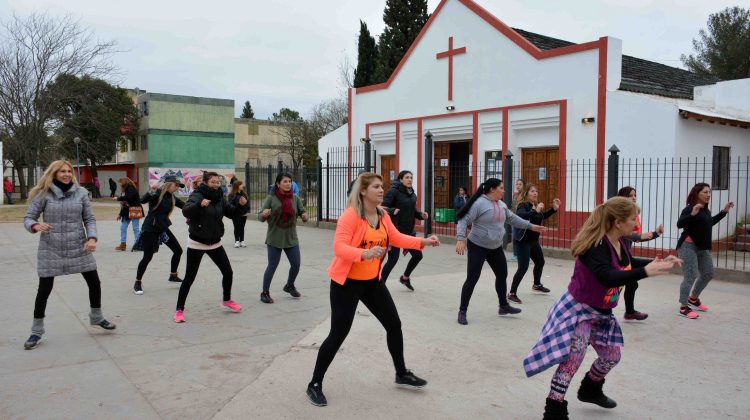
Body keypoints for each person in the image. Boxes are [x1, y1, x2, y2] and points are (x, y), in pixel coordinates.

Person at [523, 197, 681, 419]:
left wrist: (659, 264)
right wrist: (646, 272)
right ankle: (554, 409)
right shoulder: (595, 245)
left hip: (601, 313)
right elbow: (607, 277)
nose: (636, 224)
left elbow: (627, 264)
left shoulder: (620, 242)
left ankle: (590, 390)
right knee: (573, 360)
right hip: (578, 312)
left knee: (611, 356)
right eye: (633, 219)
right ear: (617, 222)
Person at [306, 172, 440, 407]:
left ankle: (401, 373)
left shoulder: (382, 214)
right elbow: (339, 247)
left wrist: (422, 242)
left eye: (382, 187)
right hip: (346, 283)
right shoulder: (350, 216)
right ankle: (314, 384)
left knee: (394, 324)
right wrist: (363, 254)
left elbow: (396, 237)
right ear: (363, 191)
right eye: (376, 187)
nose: (381, 190)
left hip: (372, 282)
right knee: (338, 334)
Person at [22, 160, 116, 350]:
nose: (66, 174)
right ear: (54, 174)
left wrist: (92, 238)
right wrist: (35, 225)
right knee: (44, 290)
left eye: (68, 171)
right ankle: (36, 331)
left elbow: (89, 218)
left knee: (94, 282)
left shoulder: (81, 193)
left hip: (78, 247)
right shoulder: (43, 194)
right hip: (51, 249)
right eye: (62, 171)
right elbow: (29, 218)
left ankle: (97, 318)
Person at [455, 178, 545, 325]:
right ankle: (462, 311)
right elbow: (463, 220)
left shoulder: (501, 205)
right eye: (501, 188)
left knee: (502, 274)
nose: (504, 190)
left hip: (495, 247)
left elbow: (513, 219)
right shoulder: (479, 204)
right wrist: (460, 239)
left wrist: (531, 226)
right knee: (472, 278)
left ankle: (503, 306)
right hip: (478, 246)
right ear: (492, 189)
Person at [174, 171, 249, 323]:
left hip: (215, 242)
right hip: (197, 243)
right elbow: (186, 211)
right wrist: (199, 205)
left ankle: (226, 300)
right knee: (189, 278)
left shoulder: (220, 197)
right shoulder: (197, 195)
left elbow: (231, 213)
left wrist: (242, 206)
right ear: (206, 182)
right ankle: (179, 310)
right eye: (213, 182)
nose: (216, 184)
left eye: (218, 182)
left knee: (228, 272)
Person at [676, 183, 733, 319]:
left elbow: (709, 222)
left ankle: (693, 299)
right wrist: (692, 214)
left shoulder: (705, 210)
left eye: (709, 192)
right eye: (705, 192)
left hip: (702, 248)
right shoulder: (690, 208)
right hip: (688, 246)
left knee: (708, 273)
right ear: (697, 194)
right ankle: (683, 307)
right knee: (690, 276)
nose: (708, 195)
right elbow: (680, 224)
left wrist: (724, 212)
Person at [259, 173, 309, 303]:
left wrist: (304, 215)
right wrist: (264, 214)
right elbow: (260, 217)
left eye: (289, 181)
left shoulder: (295, 198)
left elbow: (302, 212)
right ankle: (264, 292)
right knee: (272, 265)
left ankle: (289, 285)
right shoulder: (271, 198)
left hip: (291, 238)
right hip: (274, 238)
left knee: (296, 264)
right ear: (278, 184)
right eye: (285, 181)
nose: (288, 184)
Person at [617, 186, 664, 321]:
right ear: (622, 198)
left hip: (626, 256)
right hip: (618, 257)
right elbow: (634, 236)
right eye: (630, 195)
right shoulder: (621, 216)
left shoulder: (632, 215)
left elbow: (635, 236)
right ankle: (627, 312)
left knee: (632, 283)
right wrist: (656, 234)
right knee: (622, 284)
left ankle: (629, 312)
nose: (634, 197)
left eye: (635, 195)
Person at [508, 184, 560, 303]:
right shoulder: (523, 205)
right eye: (532, 191)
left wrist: (554, 209)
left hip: (533, 241)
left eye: (536, 191)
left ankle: (536, 285)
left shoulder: (533, 205)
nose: (535, 193)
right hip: (522, 241)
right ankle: (512, 293)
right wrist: (534, 210)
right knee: (523, 267)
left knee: (540, 262)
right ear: (526, 193)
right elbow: (521, 216)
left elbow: (540, 216)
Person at [133, 176, 185, 295]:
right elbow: (143, 200)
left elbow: (184, 205)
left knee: (178, 250)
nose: (177, 188)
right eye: (175, 185)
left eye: (178, 186)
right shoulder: (157, 193)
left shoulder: (171, 197)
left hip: (162, 227)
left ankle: (173, 275)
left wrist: (199, 204)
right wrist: (151, 190)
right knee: (148, 256)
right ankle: (137, 282)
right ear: (168, 184)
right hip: (150, 228)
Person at [380, 170, 428, 290]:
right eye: (407, 177)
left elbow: (412, 210)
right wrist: (392, 211)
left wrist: (421, 215)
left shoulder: (411, 193)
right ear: (401, 180)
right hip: (395, 231)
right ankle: (380, 286)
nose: (410, 179)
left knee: (418, 256)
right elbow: (381, 208)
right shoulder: (394, 191)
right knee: (392, 260)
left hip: (408, 231)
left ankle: (405, 278)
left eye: (411, 177)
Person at [114, 177, 142, 251]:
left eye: (120, 182)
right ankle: (123, 244)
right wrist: (120, 214)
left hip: (135, 209)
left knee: (135, 228)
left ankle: (138, 244)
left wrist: (118, 198)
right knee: (123, 227)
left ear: (124, 182)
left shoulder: (131, 188)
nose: (119, 184)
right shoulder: (124, 190)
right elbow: (124, 204)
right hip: (126, 211)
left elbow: (128, 198)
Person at [507, 179, 525, 262]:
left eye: (520, 184)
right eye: (517, 184)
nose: (518, 186)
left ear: (524, 185)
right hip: (514, 218)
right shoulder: (516, 195)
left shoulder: (525, 195)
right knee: (514, 237)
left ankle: (522, 255)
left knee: (521, 238)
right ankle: (516, 255)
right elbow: (513, 206)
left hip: (521, 219)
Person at [228, 181, 249, 248]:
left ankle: (242, 241)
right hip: (235, 213)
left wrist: (246, 210)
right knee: (236, 227)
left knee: (242, 227)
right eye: (241, 184)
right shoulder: (231, 195)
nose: (243, 186)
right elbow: (230, 204)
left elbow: (247, 203)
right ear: (237, 186)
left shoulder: (244, 194)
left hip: (244, 214)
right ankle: (237, 241)